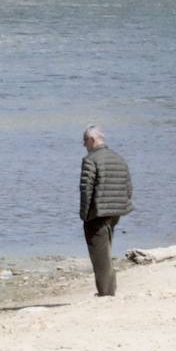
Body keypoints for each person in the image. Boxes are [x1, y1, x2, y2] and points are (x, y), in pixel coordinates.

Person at [79, 125, 133, 296]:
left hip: (98, 212)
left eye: (85, 140)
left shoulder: (91, 159)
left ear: (92, 140)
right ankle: (109, 290)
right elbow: (128, 187)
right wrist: (121, 206)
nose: (83, 144)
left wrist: (84, 215)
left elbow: (86, 190)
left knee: (100, 255)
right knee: (106, 251)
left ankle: (106, 293)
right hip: (116, 212)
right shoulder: (119, 158)